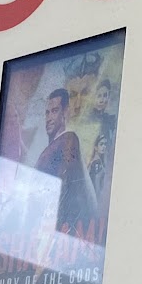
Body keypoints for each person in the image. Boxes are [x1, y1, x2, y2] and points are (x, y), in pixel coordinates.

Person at [34, 87, 97, 232]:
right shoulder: (53, 147)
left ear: (65, 112)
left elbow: (64, 186)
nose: (49, 118)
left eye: (55, 111)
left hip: (58, 227)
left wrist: (56, 229)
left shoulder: (68, 139)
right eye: (47, 113)